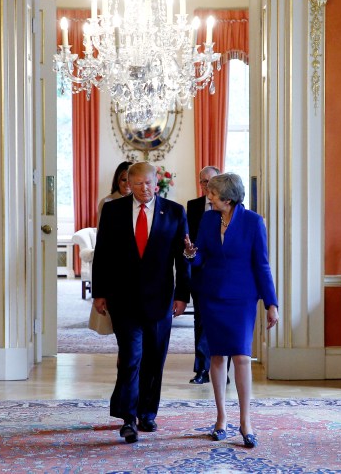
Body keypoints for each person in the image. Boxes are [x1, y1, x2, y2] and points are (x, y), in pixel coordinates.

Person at [91, 161, 191, 444]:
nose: (144, 189)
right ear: (128, 185)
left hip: (160, 300)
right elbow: (103, 255)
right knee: (131, 358)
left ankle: (148, 412)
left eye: (148, 183)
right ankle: (128, 419)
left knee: (154, 359)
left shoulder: (174, 212)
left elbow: (182, 257)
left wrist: (183, 295)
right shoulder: (113, 211)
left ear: (156, 182)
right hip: (124, 300)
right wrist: (100, 293)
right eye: (138, 184)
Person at [183, 173, 279, 449]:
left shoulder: (253, 222)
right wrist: (191, 253)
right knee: (216, 356)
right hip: (211, 296)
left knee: (241, 356)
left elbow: (262, 265)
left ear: (227, 198)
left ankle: (246, 421)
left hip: (242, 299)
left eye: (212, 194)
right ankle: (221, 419)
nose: (208, 197)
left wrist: (271, 303)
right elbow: (200, 257)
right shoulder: (209, 219)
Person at [185, 165, 221, 385]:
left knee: (219, 322)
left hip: (222, 275)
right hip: (199, 272)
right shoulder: (193, 206)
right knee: (201, 321)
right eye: (203, 181)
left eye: (211, 181)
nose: (207, 185)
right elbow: (189, 239)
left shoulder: (229, 207)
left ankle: (220, 368)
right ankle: (201, 369)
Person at [97, 161, 132, 227]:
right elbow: (100, 232)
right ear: (117, 180)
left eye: (130, 180)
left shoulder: (139, 202)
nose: (127, 184)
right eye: (124, 180)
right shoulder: (106, 202)